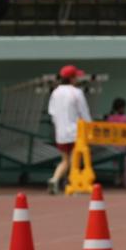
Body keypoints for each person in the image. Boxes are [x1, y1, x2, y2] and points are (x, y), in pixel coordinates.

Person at [46, 64, 91, 194]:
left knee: (65, 161)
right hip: (76, 132)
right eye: (76, 77)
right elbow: (84, 112)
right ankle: (74, 183)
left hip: (60, 133)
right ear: (72, 78)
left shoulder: (55, 93)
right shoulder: (76, 92)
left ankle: (55, 179)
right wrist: (90, 127)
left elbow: (52, 112)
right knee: (75, 160)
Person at [104, 96, 126, 187]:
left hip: (113, 145)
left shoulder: (110, 118)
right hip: (123, 145)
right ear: (121, 108)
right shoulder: (125, 118)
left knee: (116, 164)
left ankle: (117, 180)